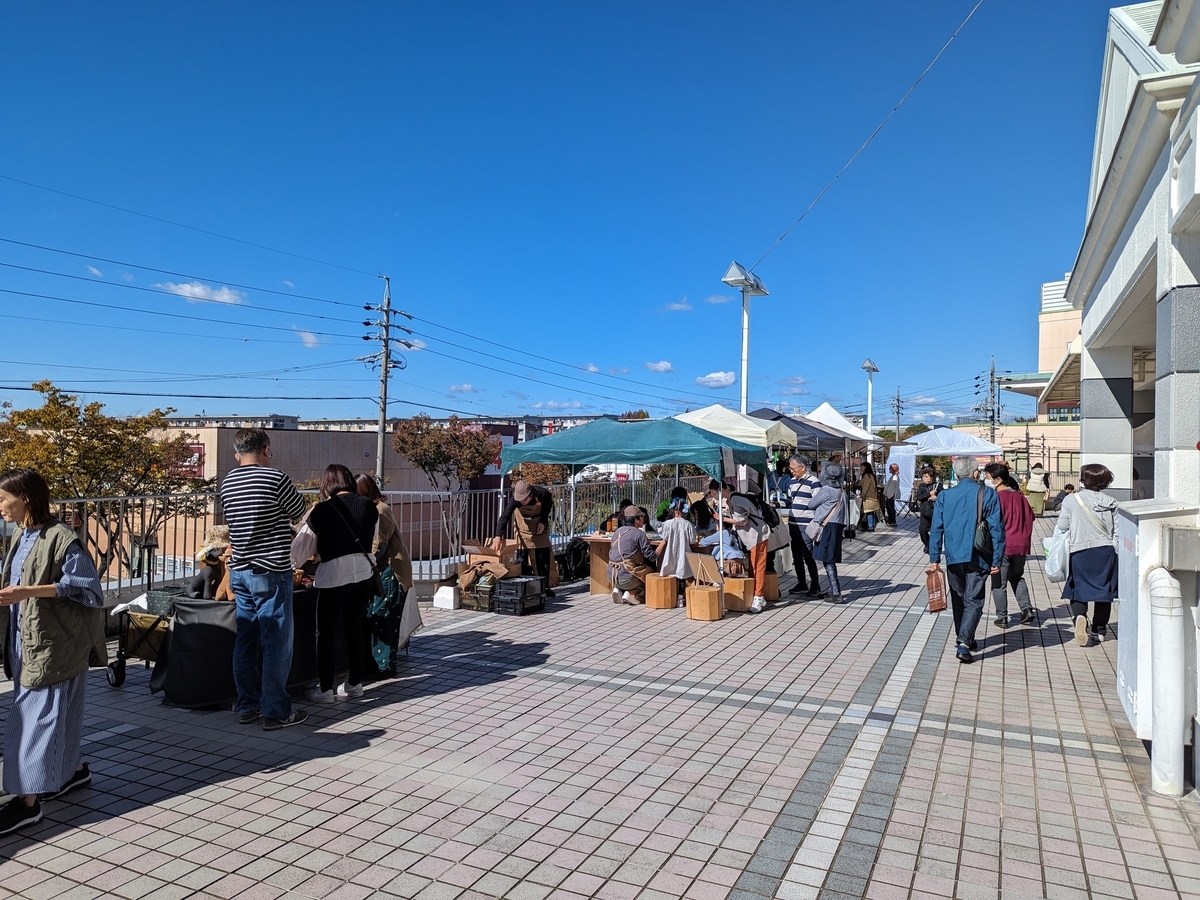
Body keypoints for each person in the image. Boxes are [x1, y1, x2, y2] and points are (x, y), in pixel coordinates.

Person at [0, 468, 106, 836]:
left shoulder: (60, 537)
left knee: (32, 721)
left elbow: (88, 589)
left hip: (52, 645)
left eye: (3, 498)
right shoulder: (22, 534)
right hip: (26, 640)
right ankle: (73, 770)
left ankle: (27, 803)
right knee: (57, 713)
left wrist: (27, 591)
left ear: (25, 497)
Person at [222, 429, 309, 730]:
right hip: (271, 569)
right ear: (265, 450)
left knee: (245, 639)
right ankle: (275, 711)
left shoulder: (227, 481)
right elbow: (298, 512)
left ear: (237, 454)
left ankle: (247, 705)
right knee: (276, 641)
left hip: (239, 569)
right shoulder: (275, 478)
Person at [293, 464, 379, 703]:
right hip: (363, 573)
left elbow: (298, 553)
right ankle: (355, 684)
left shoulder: (321, 510)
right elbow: (370, 538)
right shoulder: (370, 507)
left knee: (326, 633)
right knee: (355, 629)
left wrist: (307, 523)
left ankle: (326, 688)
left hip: (332, 575)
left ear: (327, 483)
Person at [927, 456, 1005, 664]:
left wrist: (934, 557)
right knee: (974, 599)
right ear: (975, 473)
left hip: (953, 554)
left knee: (959, 597)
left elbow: (936, 529)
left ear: (956, 474)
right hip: (978, 554)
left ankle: (964, 637)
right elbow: (997, 529)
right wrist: (997, 559)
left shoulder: (944, 496)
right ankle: (964, 641)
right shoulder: (987, 493)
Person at [356, 474, 418, 678]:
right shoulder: (370, 510)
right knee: (375, 615)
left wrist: (362, 562)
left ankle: (384, 666)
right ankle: (376, 664)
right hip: (381, 569)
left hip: (391, 569)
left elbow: (379, 546)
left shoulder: (380, 510)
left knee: (383, 616)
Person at [1055, 464, 1119, 646]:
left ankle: (1080, 617)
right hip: (1105, 551)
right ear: (1106, 481)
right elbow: (1117, 532)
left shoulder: (1071, 500)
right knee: (1104, 591)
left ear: (1084, 479)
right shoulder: (1112, 502)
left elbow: (1062, 525)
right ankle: (1099, 631)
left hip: (1080, 550)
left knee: (1079, 589)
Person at [983, 463, 1035, 627]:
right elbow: (1031, 516)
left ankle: (1002, 616)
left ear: (998, 480)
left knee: (999, 582)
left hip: (1002, 545)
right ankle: (1026, 609)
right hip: (1021, 545)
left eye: (989, 478)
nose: (987, 480)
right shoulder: (1020, 497)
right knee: (1017, 577)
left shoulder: (995, 498)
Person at [491, 480, 556, 598]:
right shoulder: (515, 501)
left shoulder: (542, 494)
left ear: (530, 494)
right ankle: (525, 588)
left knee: (543, 558)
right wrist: (497, 537)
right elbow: (504, 517)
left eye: (524, 499)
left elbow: (548, 506)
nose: (521, 501)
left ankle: (545, 587)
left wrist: (542, 521)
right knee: (522, 559)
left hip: (539, 526)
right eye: (519, 499)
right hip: (523, 528)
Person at [722, 482, 770, 614]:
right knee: (754, 566)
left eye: (715, 492)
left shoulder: (736, 499)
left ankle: (758, 596)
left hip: (757, 535)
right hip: (753, 536)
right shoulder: (733, 499)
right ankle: (758, 595)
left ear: (725, 488)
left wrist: (722, 519)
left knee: (758, 566)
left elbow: (742, 521)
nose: (714, 496)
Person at [807, 464, 849, 602]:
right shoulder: (842, 492)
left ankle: (836, 593)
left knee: (828, 560)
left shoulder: (826, 490)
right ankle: (833, 589)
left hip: (826, 527)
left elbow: (811, 504)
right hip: (837, 527)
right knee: (829, 558)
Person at [785, 455, 823, 598]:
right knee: (796, 554)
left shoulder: (814, 482)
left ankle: (815, 584)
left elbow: (818, 503)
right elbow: (791, 500)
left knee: (808, 553)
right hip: (793, 522)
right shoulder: (791, 482)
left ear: (803, 468)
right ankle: (802, 583)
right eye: (790, 469)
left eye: (794, 469)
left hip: (806, 523)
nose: (792, 471)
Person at [608, 506, 658, 604]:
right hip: (626, 578)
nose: (644, 518)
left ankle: (618, 589)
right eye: (642, 516)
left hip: (611, 576)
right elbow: (652, 557)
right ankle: (632, 594)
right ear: (636, 519)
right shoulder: (639, 534)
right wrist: (664, 542)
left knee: (637, 569)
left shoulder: (618, 531)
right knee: (651, 573)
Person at [657, 498, 696, 605]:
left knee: (671, 572)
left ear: (673, 510)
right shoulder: (688, 524)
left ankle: (670, 596)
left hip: (671, 552)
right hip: (683, 552)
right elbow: (692, 540)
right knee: (682, 575)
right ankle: (680, 598)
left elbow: (663, 537)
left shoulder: (667, 524)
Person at [915, 468, 940, 552]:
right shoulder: (922, 486)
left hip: (935, 511)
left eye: (927, 476)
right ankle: (928, 544)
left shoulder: (938, 486)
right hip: (925, 511)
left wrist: (936, 498)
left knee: (935, 531)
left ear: (932, 477)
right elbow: (919, 497)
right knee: (922, 530)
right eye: (923, 476)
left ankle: (932, 547)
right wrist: (929, 494)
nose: (925, 478)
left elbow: (943, 497)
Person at [859, 462, 881, 532]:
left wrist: (862, 495)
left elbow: (866, 486)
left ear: (865, 467)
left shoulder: (867, 476)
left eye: (861, 466)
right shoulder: (869, 475)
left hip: (869, 496)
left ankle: (870, 526)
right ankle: (872, 525)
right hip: (872, 495)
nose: (860, 468)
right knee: (871, 511)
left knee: (869, 510)